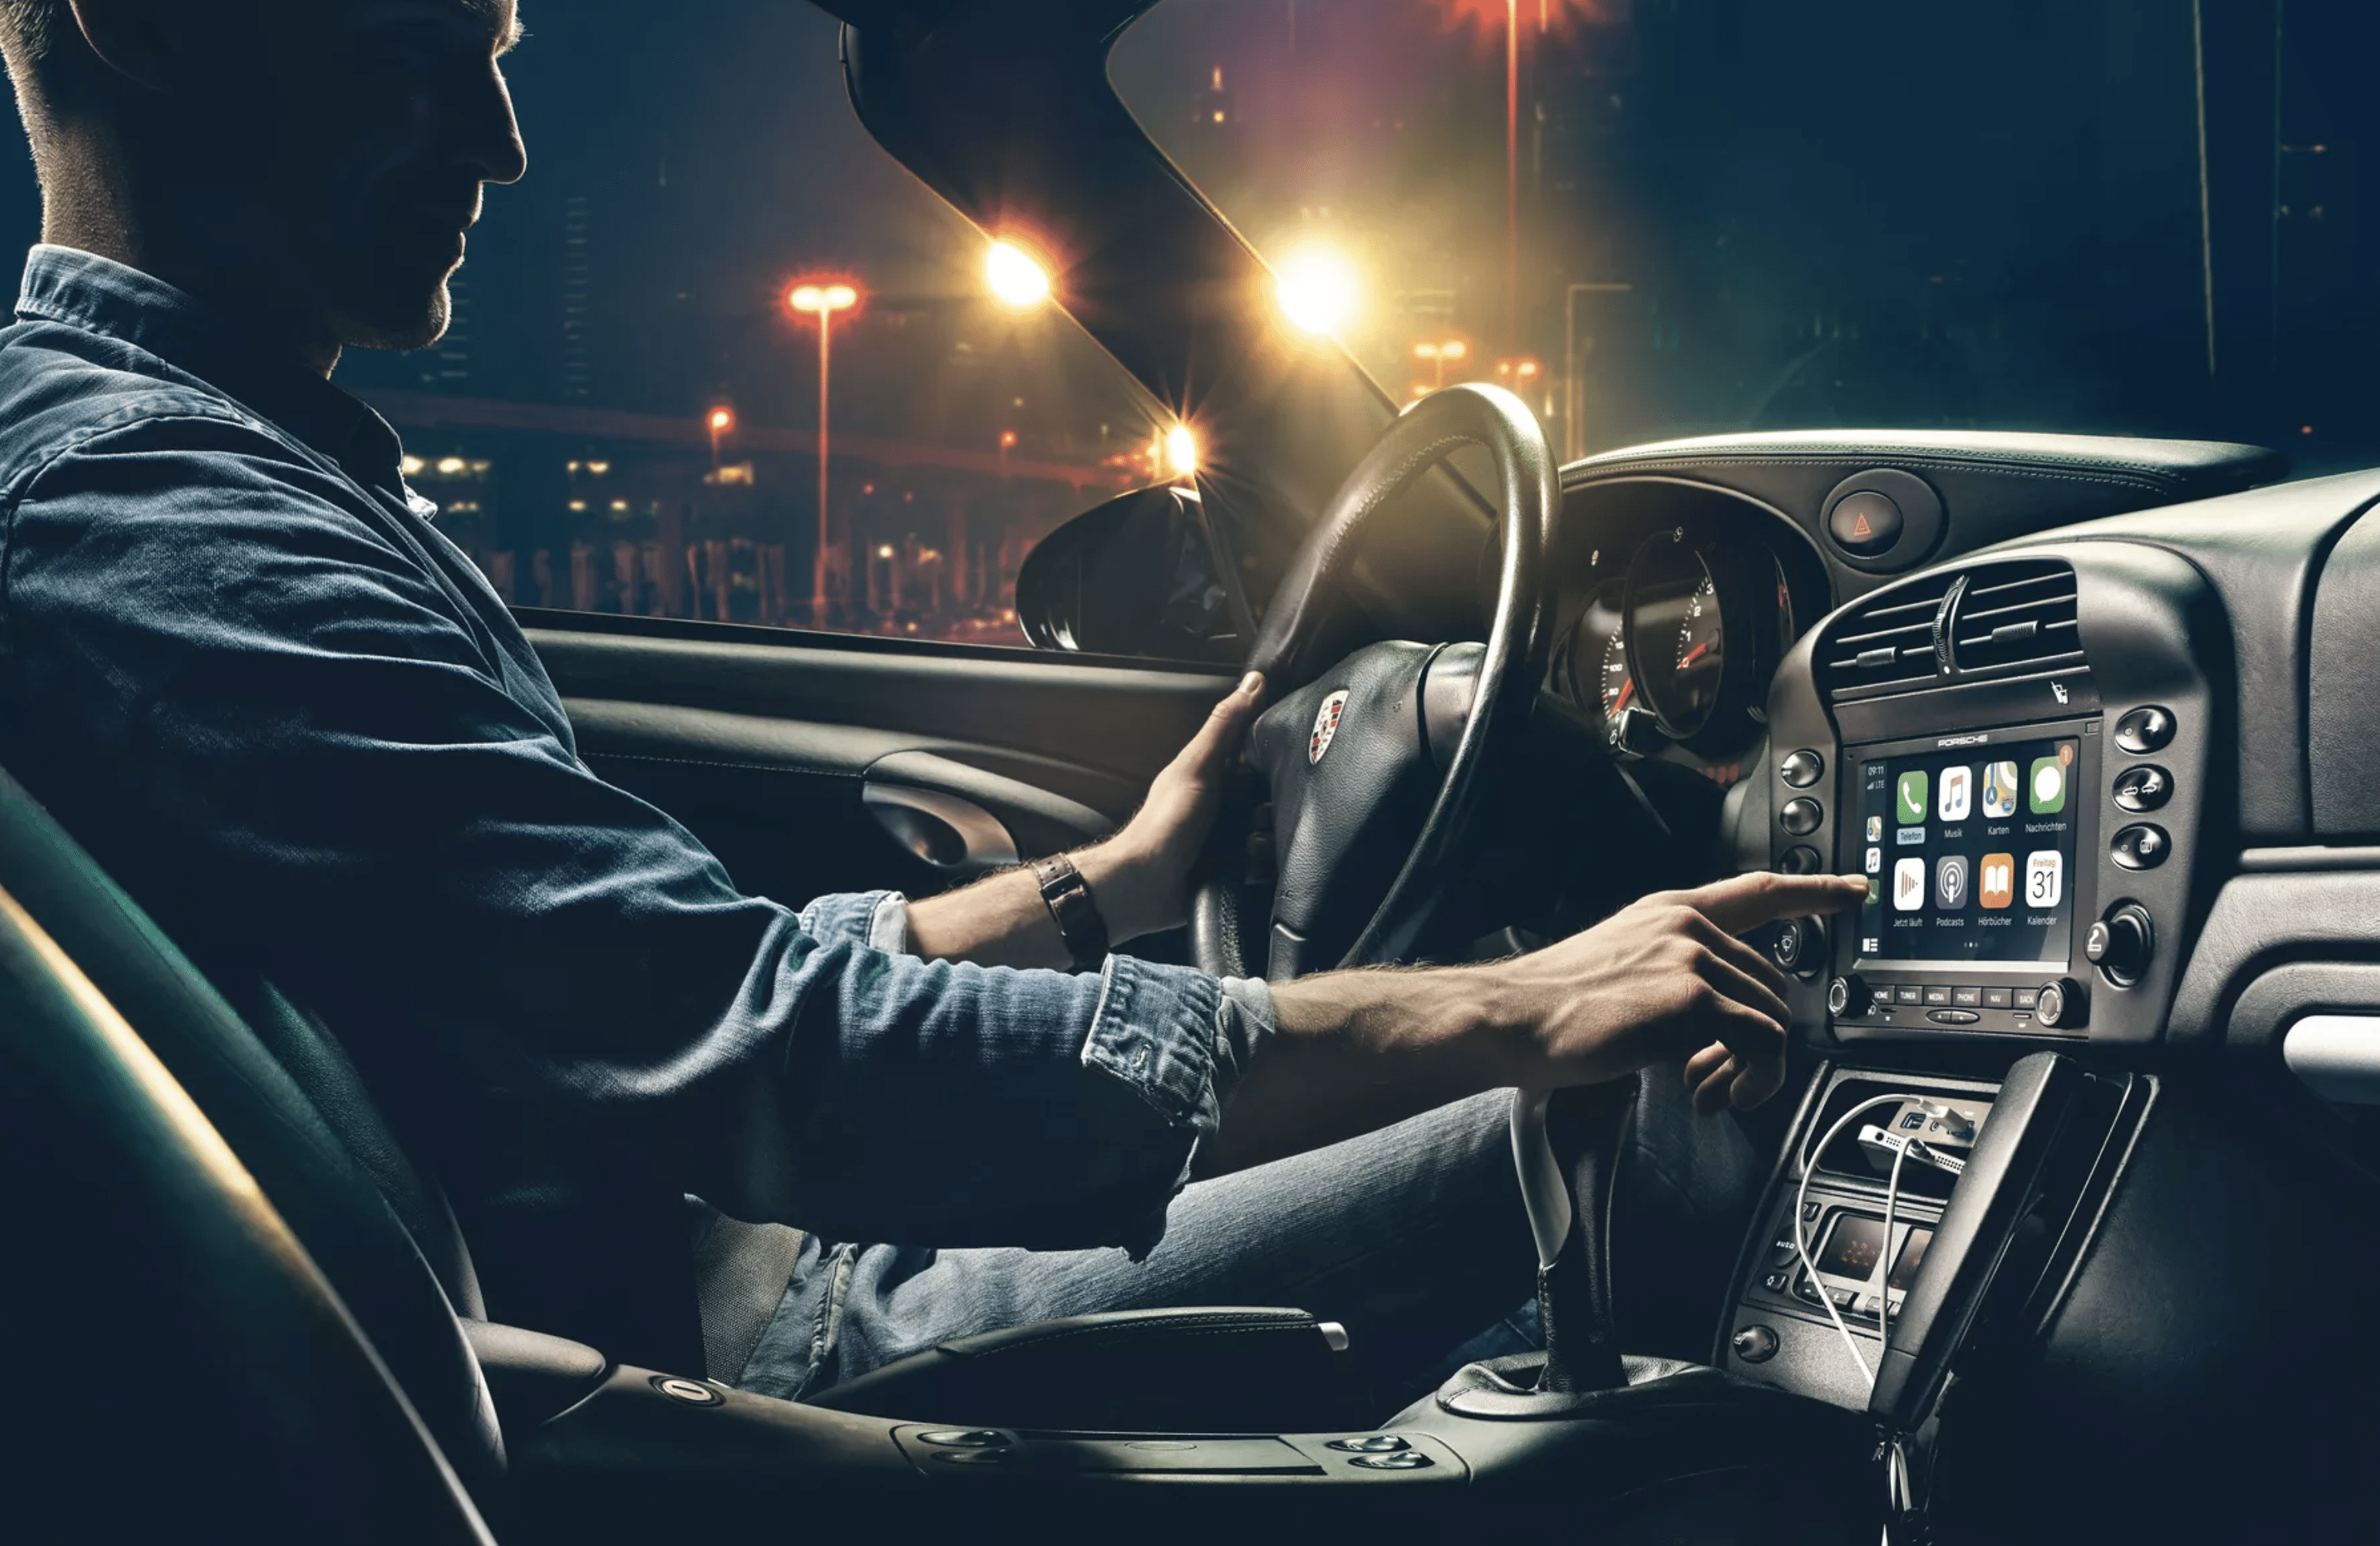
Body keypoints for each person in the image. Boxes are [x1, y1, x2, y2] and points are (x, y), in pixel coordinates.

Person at [0, 0, 1863, 1405]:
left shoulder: (225, 475)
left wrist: (1113, 882)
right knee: (1674, 1126)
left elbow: (640, 987)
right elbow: (759, 1059)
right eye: (421, 48)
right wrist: (1511, 996)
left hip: (726, 1235)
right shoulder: (147, 526)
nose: (496, 143)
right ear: (150, 24)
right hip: (724, 1365)